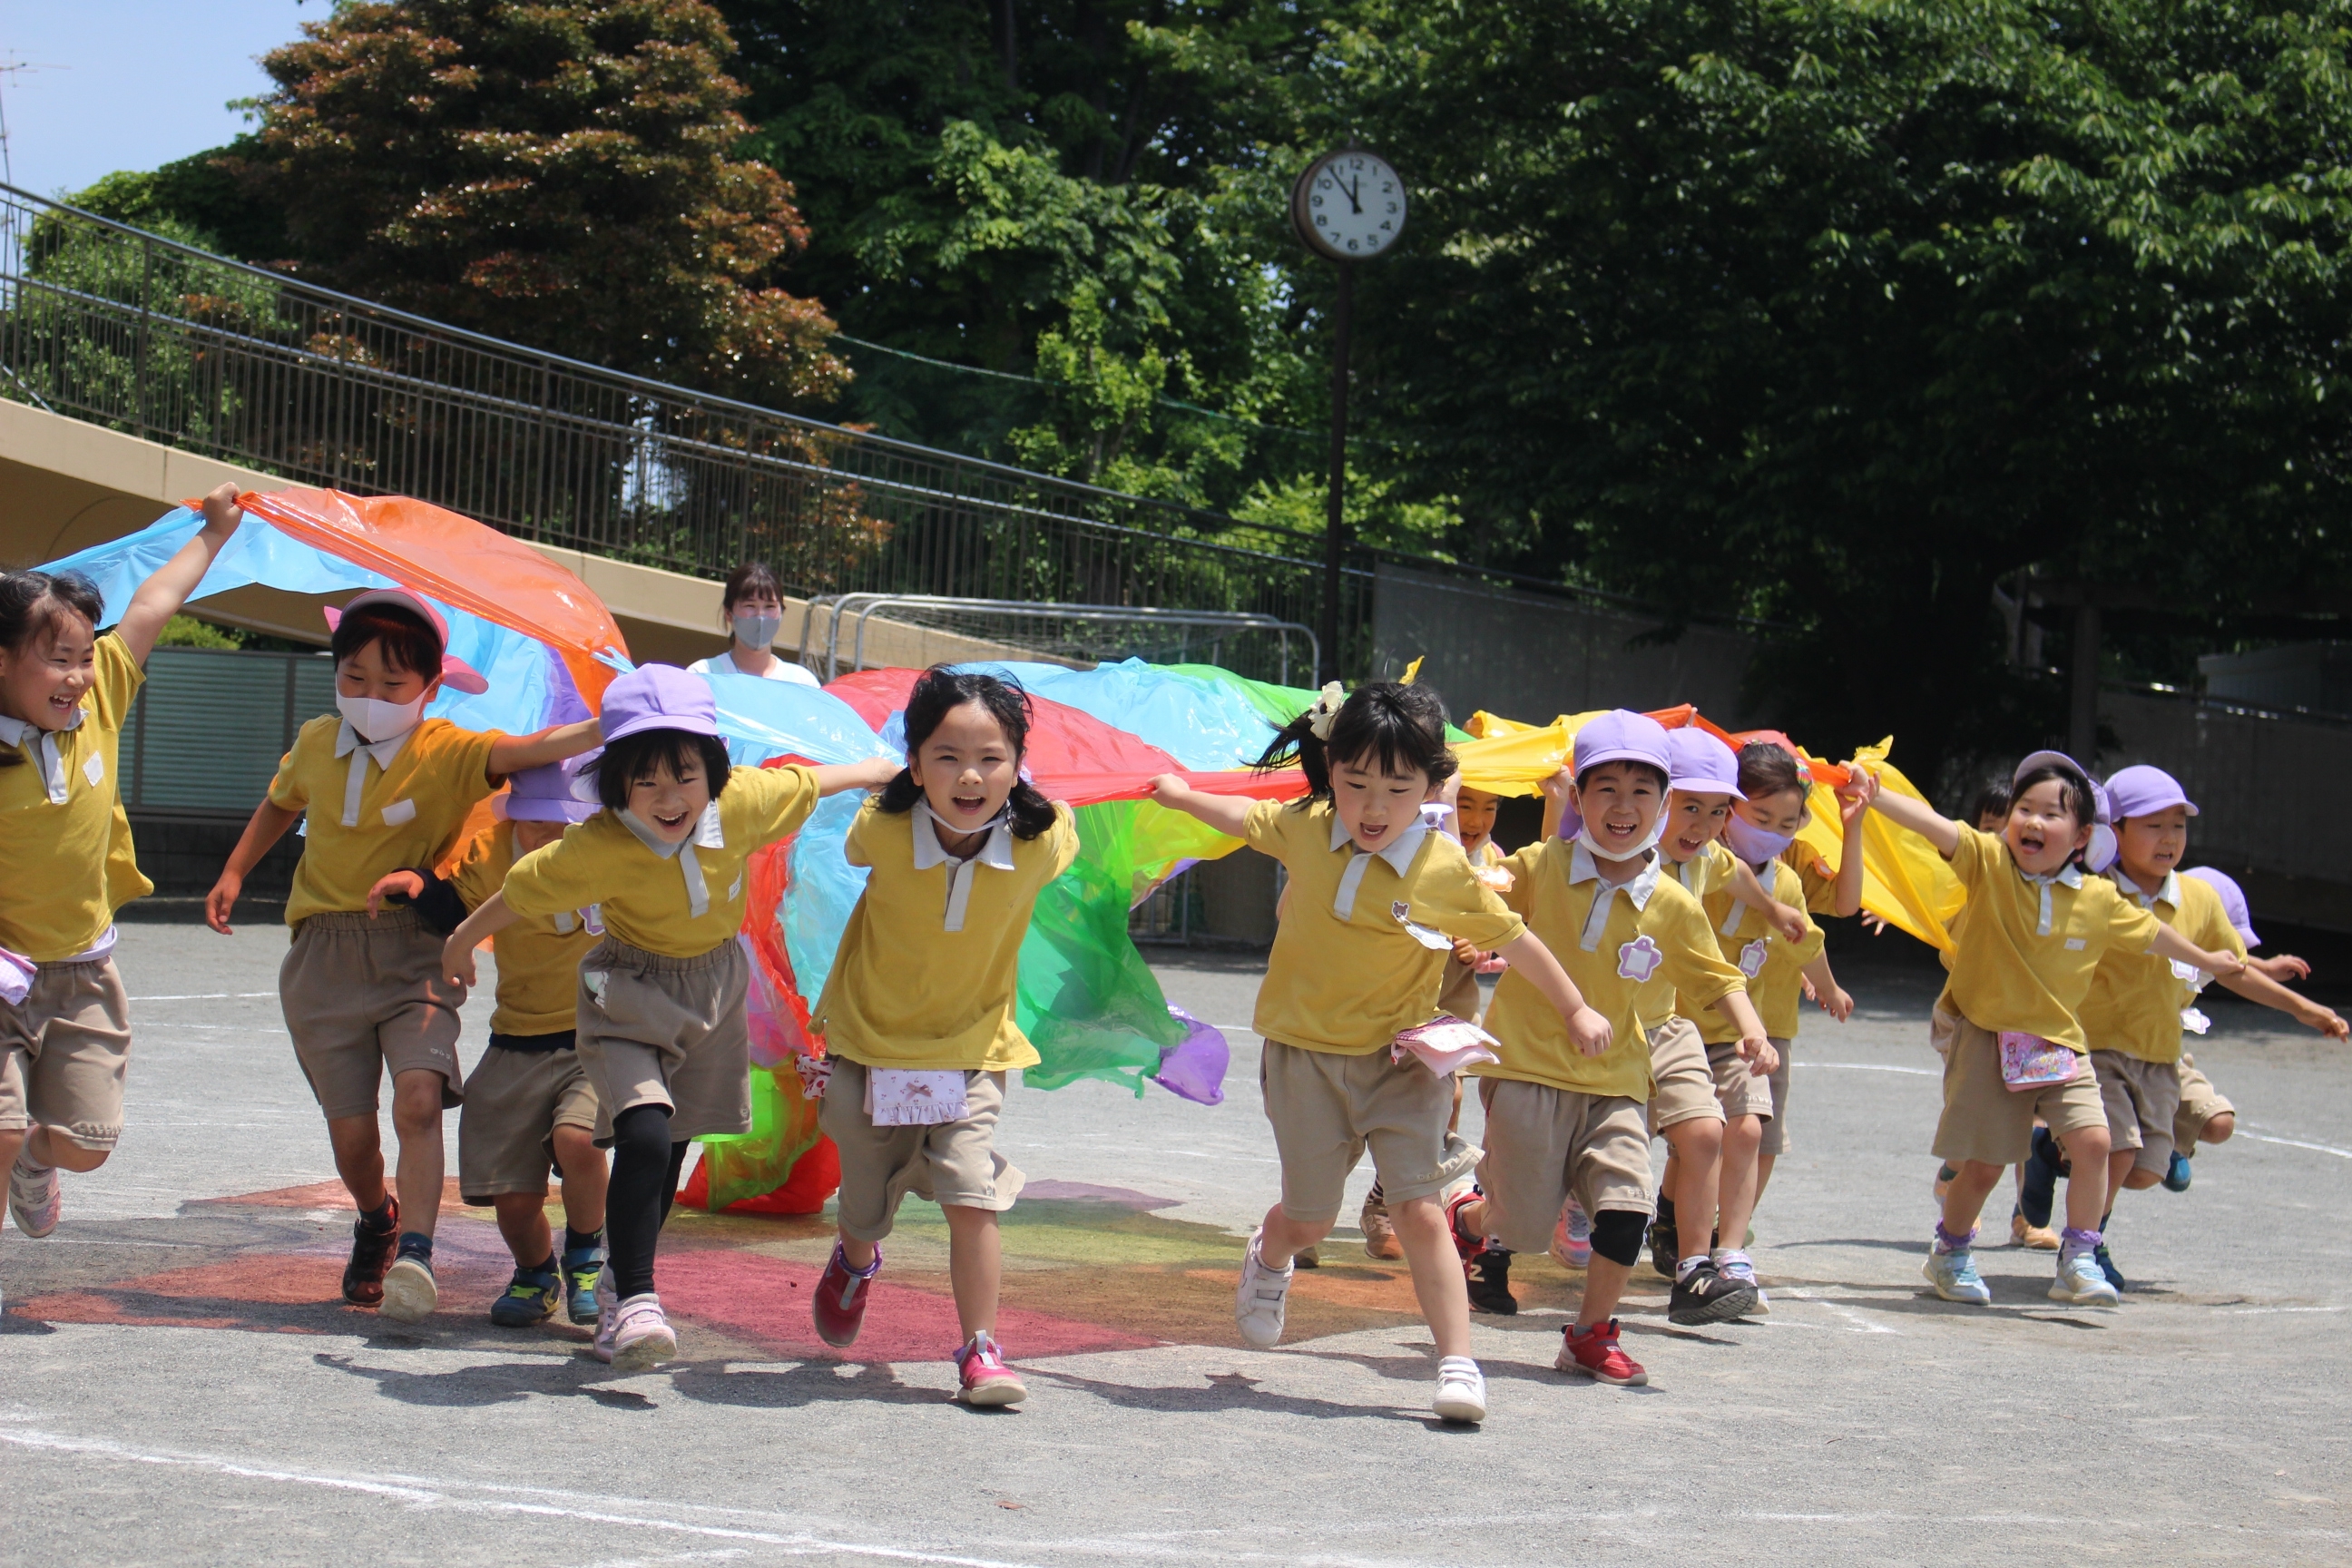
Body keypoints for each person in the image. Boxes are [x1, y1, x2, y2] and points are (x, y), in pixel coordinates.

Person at [1150, 681, 1607, 1425]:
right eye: (1357, 782)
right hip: (1305, 1059)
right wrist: (1178, 795)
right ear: (1331, 770)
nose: (1372, 806)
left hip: (1400, 1063)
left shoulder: (1444, 868)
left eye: (1398, 788)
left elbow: (1515, 940)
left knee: (1420, 1209)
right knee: (1308, 1216)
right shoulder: (1308, 827)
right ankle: (1270, 1259)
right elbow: (1245, 816)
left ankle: (1459, 1364)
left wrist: (1576, 1005)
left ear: (1432, 786)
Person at [440, 667, 893, 1370]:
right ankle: (640, 1298)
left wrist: (881, 770)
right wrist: (460, 940)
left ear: (713, 770)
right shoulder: (597, 846)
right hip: (628, 992)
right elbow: (518, 894)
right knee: (644, 1136)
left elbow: (813, 781)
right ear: (617, 783)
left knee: (670, 1154)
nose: (668, 797)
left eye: (684, 775)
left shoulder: (740, 804)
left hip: (710, 992)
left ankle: (622, 1285)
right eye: (645, 780)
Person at [206, 589, 603, 1322]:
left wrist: (610, 725)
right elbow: (279, 803)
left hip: (411, 952)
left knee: (419, 1101)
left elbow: (527, 752)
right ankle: (377, 1217)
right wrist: (234, 870)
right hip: (321, 955)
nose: (371, 695)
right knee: (352, 1133)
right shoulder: (317, 742)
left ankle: (415, 1256)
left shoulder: (447, 750)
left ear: (429, 686)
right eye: (354, 677)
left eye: (393, 684)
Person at [1850, 751, 2246, 1308]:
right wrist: (1875, 797)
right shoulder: (1989, 863)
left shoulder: (2098, 897)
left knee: (2095, 1142)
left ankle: (2079, 1255)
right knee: (1985, 1166)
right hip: (1989, 1038)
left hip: (2060, 1043)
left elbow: (2153, 934)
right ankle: (1950, 1251)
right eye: (2024, 809)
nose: (2033, 822)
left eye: (2051, 814)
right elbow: (1936, 826)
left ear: (2083, 834)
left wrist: (2212, 957)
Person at [1446, 710, 1772, 1384]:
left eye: (1641, 791)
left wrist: (1751, 1027)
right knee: (1525, 1228)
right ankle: (1470, 1218)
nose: (1623, 807)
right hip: (1529, 1070)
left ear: (1662, 803)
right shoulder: (1541, 866)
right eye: (1606, 789)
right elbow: (1478, 898)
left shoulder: (1674, 903)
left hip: (1619, 1079)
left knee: (1626, 1206)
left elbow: (1714, 974)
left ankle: (1590, 1336)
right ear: (1579, 796)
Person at [805, 668, 1080, 1406]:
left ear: (1018, 765)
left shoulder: (1040, 842)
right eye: (947, 756)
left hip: (970, 1052)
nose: (969, 776)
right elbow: (857, 846)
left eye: (991, 757)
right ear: (916, 762)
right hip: (870, 1045)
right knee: (865, 1205)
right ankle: (856, 1261)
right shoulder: (883, 830)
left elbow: (1064, 835)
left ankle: (980, 1349)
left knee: (972, 1195)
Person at [2, 484, 244, 1261]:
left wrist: (215, 532)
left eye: (81, 657)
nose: (75, 677)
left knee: (86, 1143)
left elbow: (155, 601)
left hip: (81, 971)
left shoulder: (101, 694)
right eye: (55, 660)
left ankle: (40, 1162)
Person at [2060, 768, 2344, 1288]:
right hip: (2093, 1048)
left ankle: (2055, 1160)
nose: (2169, 838)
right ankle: (2083, 1247)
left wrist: (2304, 1009)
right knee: (2118, 1152)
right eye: (2153, 825)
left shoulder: (2199, 899)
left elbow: (2234, 969)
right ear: (2113, 831)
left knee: (2145, 1170)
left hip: (2160, 1055)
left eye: (2178, 826)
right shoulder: (2091, 891)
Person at [365, 756, 611, 1328]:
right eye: (535, 820)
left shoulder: (609, 853)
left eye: (565, 822)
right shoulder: (496, 854)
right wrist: (418, 886)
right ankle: (535, 1271)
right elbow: (455, 905)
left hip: (592, 1039)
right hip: (517, 1039)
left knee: (580, 1139)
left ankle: (587, 1253)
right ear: (511, 815)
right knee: (510, 1189)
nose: (550, 833)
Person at [1626, 727, 1799, 1305]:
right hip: (1622, 1025)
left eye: (1718, 811)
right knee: (1603, 1148)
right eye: (1689, 807)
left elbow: (1735, 874)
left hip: (1687, 1029)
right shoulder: (1619, 858)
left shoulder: (1706, 860)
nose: (1701, 826)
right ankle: (1497, 1228)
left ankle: (1711, 1260)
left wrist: (1772, 907)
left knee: (1726, 1130)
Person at [1694, 738, 1856, 1305]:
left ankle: (1728, 1246)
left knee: (1753, 1131)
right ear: (1729, 805)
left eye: (1786, 823)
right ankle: (1664, 1224)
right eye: (1759, 816)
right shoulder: (1698, 861)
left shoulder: (1786, 881)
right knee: (1688, 1134)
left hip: (1755, 1031)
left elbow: (1804, 935)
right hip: (1682, 1023)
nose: (1771, 830)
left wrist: (1828, 984)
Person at [1360, 782, 1508, 1263]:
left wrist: (1483, 947)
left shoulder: (1495, 859)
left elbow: (1504, 923)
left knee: (1449, 1090)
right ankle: (1305, 1215)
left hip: (1451, 1002)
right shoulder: (1404, 841)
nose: (1477, 818)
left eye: (1489, 808)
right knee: (1355, 1103)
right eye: (1466, 805)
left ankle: (1393, 1192)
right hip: (1391, 998)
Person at [686, 562, 818, 688]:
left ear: (782, 612)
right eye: (750, 606)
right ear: (728, 613)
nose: (760, 615)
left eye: (770, 606)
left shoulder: (802, 682)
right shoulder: (703, 675)